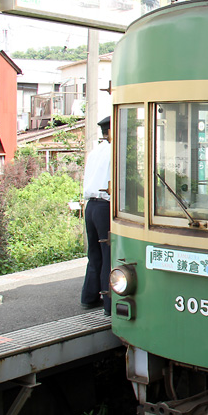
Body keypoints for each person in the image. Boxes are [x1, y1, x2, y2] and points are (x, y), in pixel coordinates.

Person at [82, 116, 112, 316]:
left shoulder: (95, 152)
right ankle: (109, 303)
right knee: (108, 254)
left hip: (90, 206)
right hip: (104, 206)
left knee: (94, 254)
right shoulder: (114, 150)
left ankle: (89, 296)